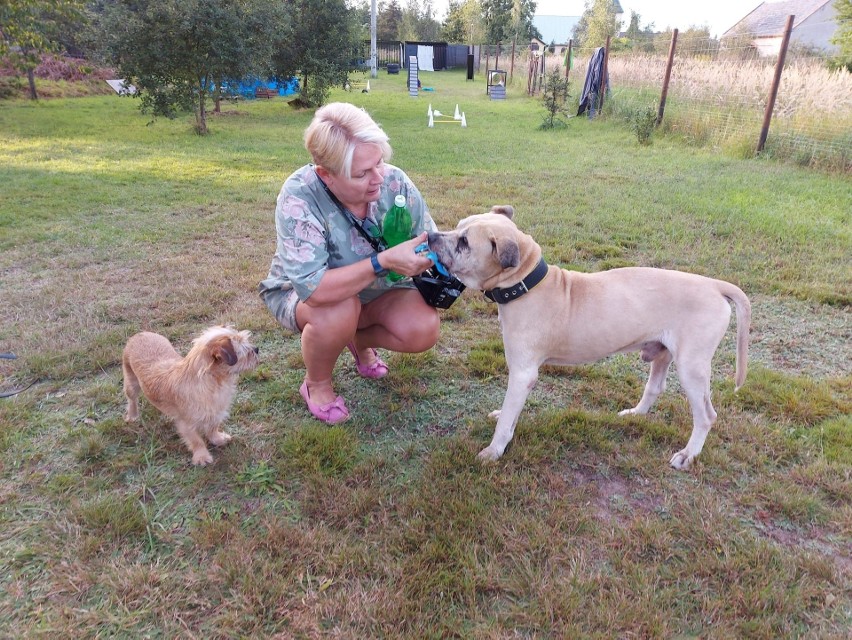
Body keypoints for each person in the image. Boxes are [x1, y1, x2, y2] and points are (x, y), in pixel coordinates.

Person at [259, 102, 439, 424]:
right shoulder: (300, 196)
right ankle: (317, 384)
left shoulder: (394, 182)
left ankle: (356, 339)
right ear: (325, 175)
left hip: (377, 289)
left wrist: (426, 261)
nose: (379, 178)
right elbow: (313, 289)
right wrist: (382, 261)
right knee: (339, 311)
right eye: (362, 173)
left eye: (380, 162)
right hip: (303, 294)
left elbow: (429, 240)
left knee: (423, 328)